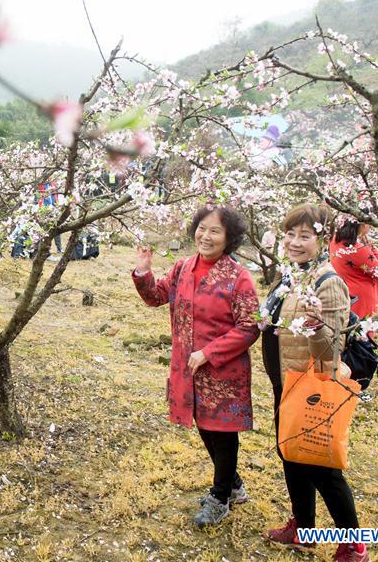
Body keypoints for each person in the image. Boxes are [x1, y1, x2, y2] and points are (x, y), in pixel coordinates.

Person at [132, 205, 260, 528]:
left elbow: (250, 326)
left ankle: (220, 497)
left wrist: (209, 352)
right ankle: (233, 485)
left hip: (222, 373)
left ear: (229, 238)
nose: (206, 236)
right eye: (202, 228)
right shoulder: (183, 268)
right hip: (187, 369)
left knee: (223, 434)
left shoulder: (238, 278)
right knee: (205, 427)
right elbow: (155, 296)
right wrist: (143, 271)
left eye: (215, 231)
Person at [261, 204, 369, 562]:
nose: (294, 242)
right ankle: (304, 530)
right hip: (286, 384)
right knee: (291, 456)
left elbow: (331, 355)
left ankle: (354, 546)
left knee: (323, 469)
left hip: (310, 390)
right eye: (290, 234)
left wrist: (319, 327)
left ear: (321, 239)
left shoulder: (328, 282)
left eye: (304, 236)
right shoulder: (293, 275)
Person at [329, 218, 378, 318]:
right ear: (363, 225)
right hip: (361, 300)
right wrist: (373, 249)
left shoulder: (335, 240)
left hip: (342, 293)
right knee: (362, 329)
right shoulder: (359, 250)